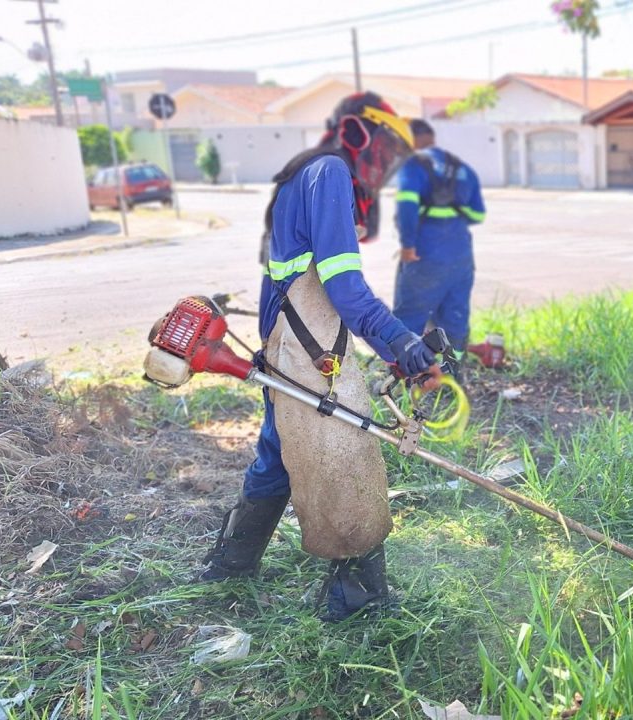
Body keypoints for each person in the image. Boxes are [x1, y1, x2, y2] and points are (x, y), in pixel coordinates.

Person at [200, 93, 439, 622]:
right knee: (342, 447)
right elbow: (345, 288)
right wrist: (401, 343)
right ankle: (357, 597)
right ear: (360, 135)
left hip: (290, 336)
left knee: (279, 447)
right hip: (308, 342)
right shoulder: (330, 172)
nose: (387, 165)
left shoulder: (304, 175)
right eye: (387, 149)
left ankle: (232, 562)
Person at [392, 119, 486, 355]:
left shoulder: (413, 165)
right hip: (461, 254)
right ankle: (449, 370)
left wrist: (407, 245)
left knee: (409, 316)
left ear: (412, 139)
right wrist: (454, 214)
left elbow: (407, 207)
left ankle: (406, 372)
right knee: (455, 317)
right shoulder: (464, 169)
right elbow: (478, 214)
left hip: (424, 253)